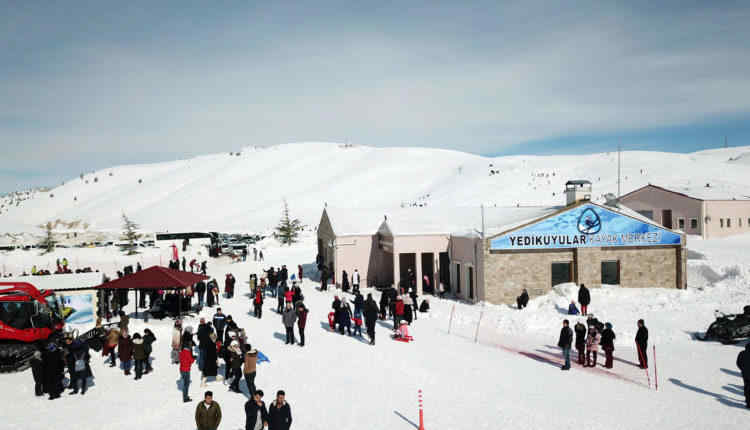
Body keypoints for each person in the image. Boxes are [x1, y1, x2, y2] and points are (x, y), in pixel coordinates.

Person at [737, 343, 750, 409]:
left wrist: (742, 369)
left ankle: (748, 402)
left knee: (747, 387)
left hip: (745, 374)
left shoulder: (742, 353)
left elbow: (738, 363)